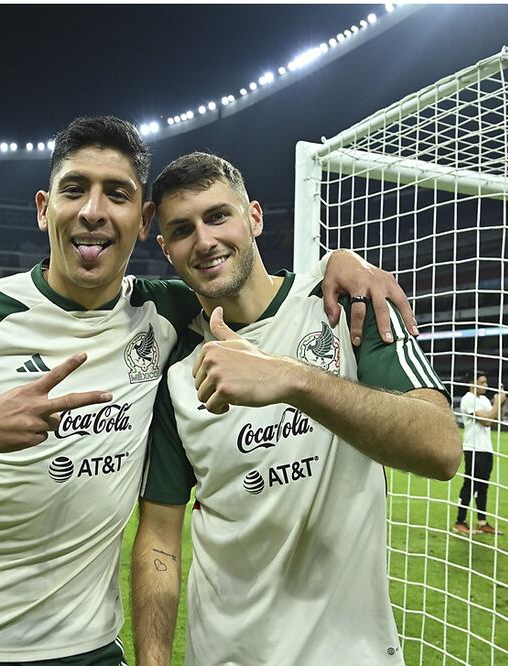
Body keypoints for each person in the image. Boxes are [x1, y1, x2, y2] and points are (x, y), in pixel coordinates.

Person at [0, 116, 418, 665]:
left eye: (116, 194)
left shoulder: (162, 313)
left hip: (86, 647)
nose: (93, 211)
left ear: (143, 222)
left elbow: (247, 284)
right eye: (75, 189)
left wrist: (340, 263)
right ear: (44, 208)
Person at [132, 153, 462, 666]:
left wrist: (293, 379)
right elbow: (159, 536)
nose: (204, 240)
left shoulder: (347, 304)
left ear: (254, 218)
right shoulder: (177, 372)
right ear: (166, 249)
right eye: (181, 230)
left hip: (351, 654)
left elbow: (440, 448)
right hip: (222, 654)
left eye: (218, 216)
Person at [453, 373, 506, 536]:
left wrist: (502, 404)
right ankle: (460, 522)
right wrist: (497, 402)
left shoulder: (484, 400)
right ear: (472, 383)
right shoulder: (468, 399)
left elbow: (498, 420)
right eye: (482, 382)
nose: (485, 385)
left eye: (486, 382)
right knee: (470, 485)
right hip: (473, 448)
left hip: (486, 449)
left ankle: (482, 522)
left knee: (483, 487)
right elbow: (486, 421)